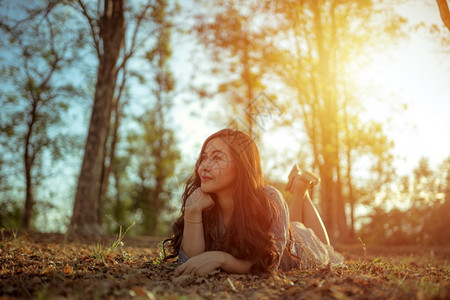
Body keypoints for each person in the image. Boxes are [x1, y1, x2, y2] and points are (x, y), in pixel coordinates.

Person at [164, 129, 343, 276]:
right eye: (203, 157)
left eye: (217, 158)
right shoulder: (201, 202)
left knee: (325, 247)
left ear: (241, 165)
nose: (204, 165)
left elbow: (269, 265)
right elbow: (188, 265)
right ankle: (299, 189)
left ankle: (301, 191)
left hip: (301, 247)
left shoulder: (269, 198)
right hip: (284, 230)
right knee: (290, 225)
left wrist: (221, 258)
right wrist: (192, 212)